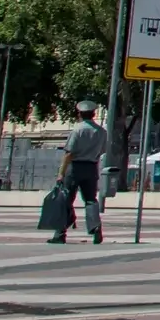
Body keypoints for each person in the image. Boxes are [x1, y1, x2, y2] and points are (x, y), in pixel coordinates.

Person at [51, 101, 107, 245]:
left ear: (80, 114)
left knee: (66, 199)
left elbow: (69, 153)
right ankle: (96, 228)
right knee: (91, 200)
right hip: (91, 167)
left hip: (75, 167)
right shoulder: (101, 132)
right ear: (94, 114)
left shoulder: (77, 130)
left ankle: (60, 233)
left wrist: (61, 173)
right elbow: (102, 151)